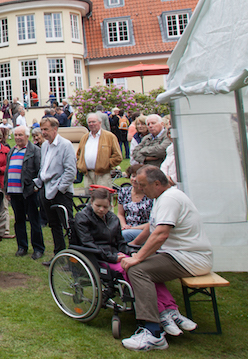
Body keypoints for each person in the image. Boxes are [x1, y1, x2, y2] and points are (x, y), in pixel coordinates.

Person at [117, 166, 212, 350]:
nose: (140, 189)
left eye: (143, 185)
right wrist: (134, 248)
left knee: (137, 270)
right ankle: (168, 312)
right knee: (141, 264)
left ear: (157, 184)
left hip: (190, 258)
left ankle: (153, 333)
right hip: (181, 255)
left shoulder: (169, 199)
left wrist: (137, 258)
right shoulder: (164, 197)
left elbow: (161, 234)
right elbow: (151, 229)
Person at [36, 117, 77, 264]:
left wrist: (60, 189)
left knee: (68, 225)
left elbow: (71, 171)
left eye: (46, 129)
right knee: (54, 225)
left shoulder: (65, 145)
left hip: (61, 192)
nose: (43, 132)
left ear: (55, 129)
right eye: (42, 130)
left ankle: (73, 259)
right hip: (46, 190)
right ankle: (59, 255)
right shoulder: (45, 146)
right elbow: (44, 167)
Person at [5, 126, 44, 259]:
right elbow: (7, 172)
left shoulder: (34, 151)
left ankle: (38, 248)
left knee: (34, 220)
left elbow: (40, 171)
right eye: (15, 135)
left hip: (28, 191)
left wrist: (35, 187)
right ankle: (22, 246)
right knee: (19, 220)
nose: (17, 137)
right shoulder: (12, 151)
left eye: (20, 135)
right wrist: (6, 189)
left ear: (27, 136)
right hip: (14, 192)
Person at [76, 113, 122, 192]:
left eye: (94, 122)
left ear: (100, 122)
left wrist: (105, 165)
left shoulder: (109, 136)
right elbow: (78, 154)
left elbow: (117, 156)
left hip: (103, 175)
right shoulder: (85, 137)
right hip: (88, 175)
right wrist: (80, 165)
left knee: (103, 198)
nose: (91, 124)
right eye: (89, 122)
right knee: (89, 198)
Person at [117, 164, 153, 243]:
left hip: (144, 230)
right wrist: (124, 226)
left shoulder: (150, 195)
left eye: (138, 177)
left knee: (123, 235)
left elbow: (152, 222)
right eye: (133, 176)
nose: (135, 179)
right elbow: (120, 214)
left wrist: (131, 229)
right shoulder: (124, 192)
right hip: (126, 228)